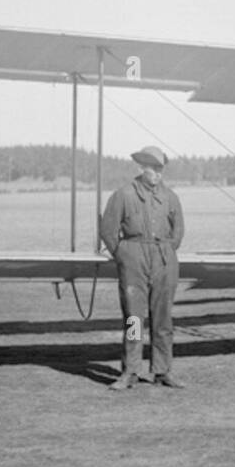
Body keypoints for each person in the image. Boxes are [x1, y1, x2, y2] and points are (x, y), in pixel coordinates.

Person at [99, 146, 186, 390]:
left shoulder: (170, 197)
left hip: (163, 259)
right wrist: (124, 255)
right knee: (134, 319)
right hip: (133, 258)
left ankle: (162, 370)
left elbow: (178, 231)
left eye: (161, 169)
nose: (158, 174)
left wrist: (167, 251)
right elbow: (108, 230)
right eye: (153, 169)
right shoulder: (124, 195)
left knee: (163, 319)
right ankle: (130, 371)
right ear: (142, 169)